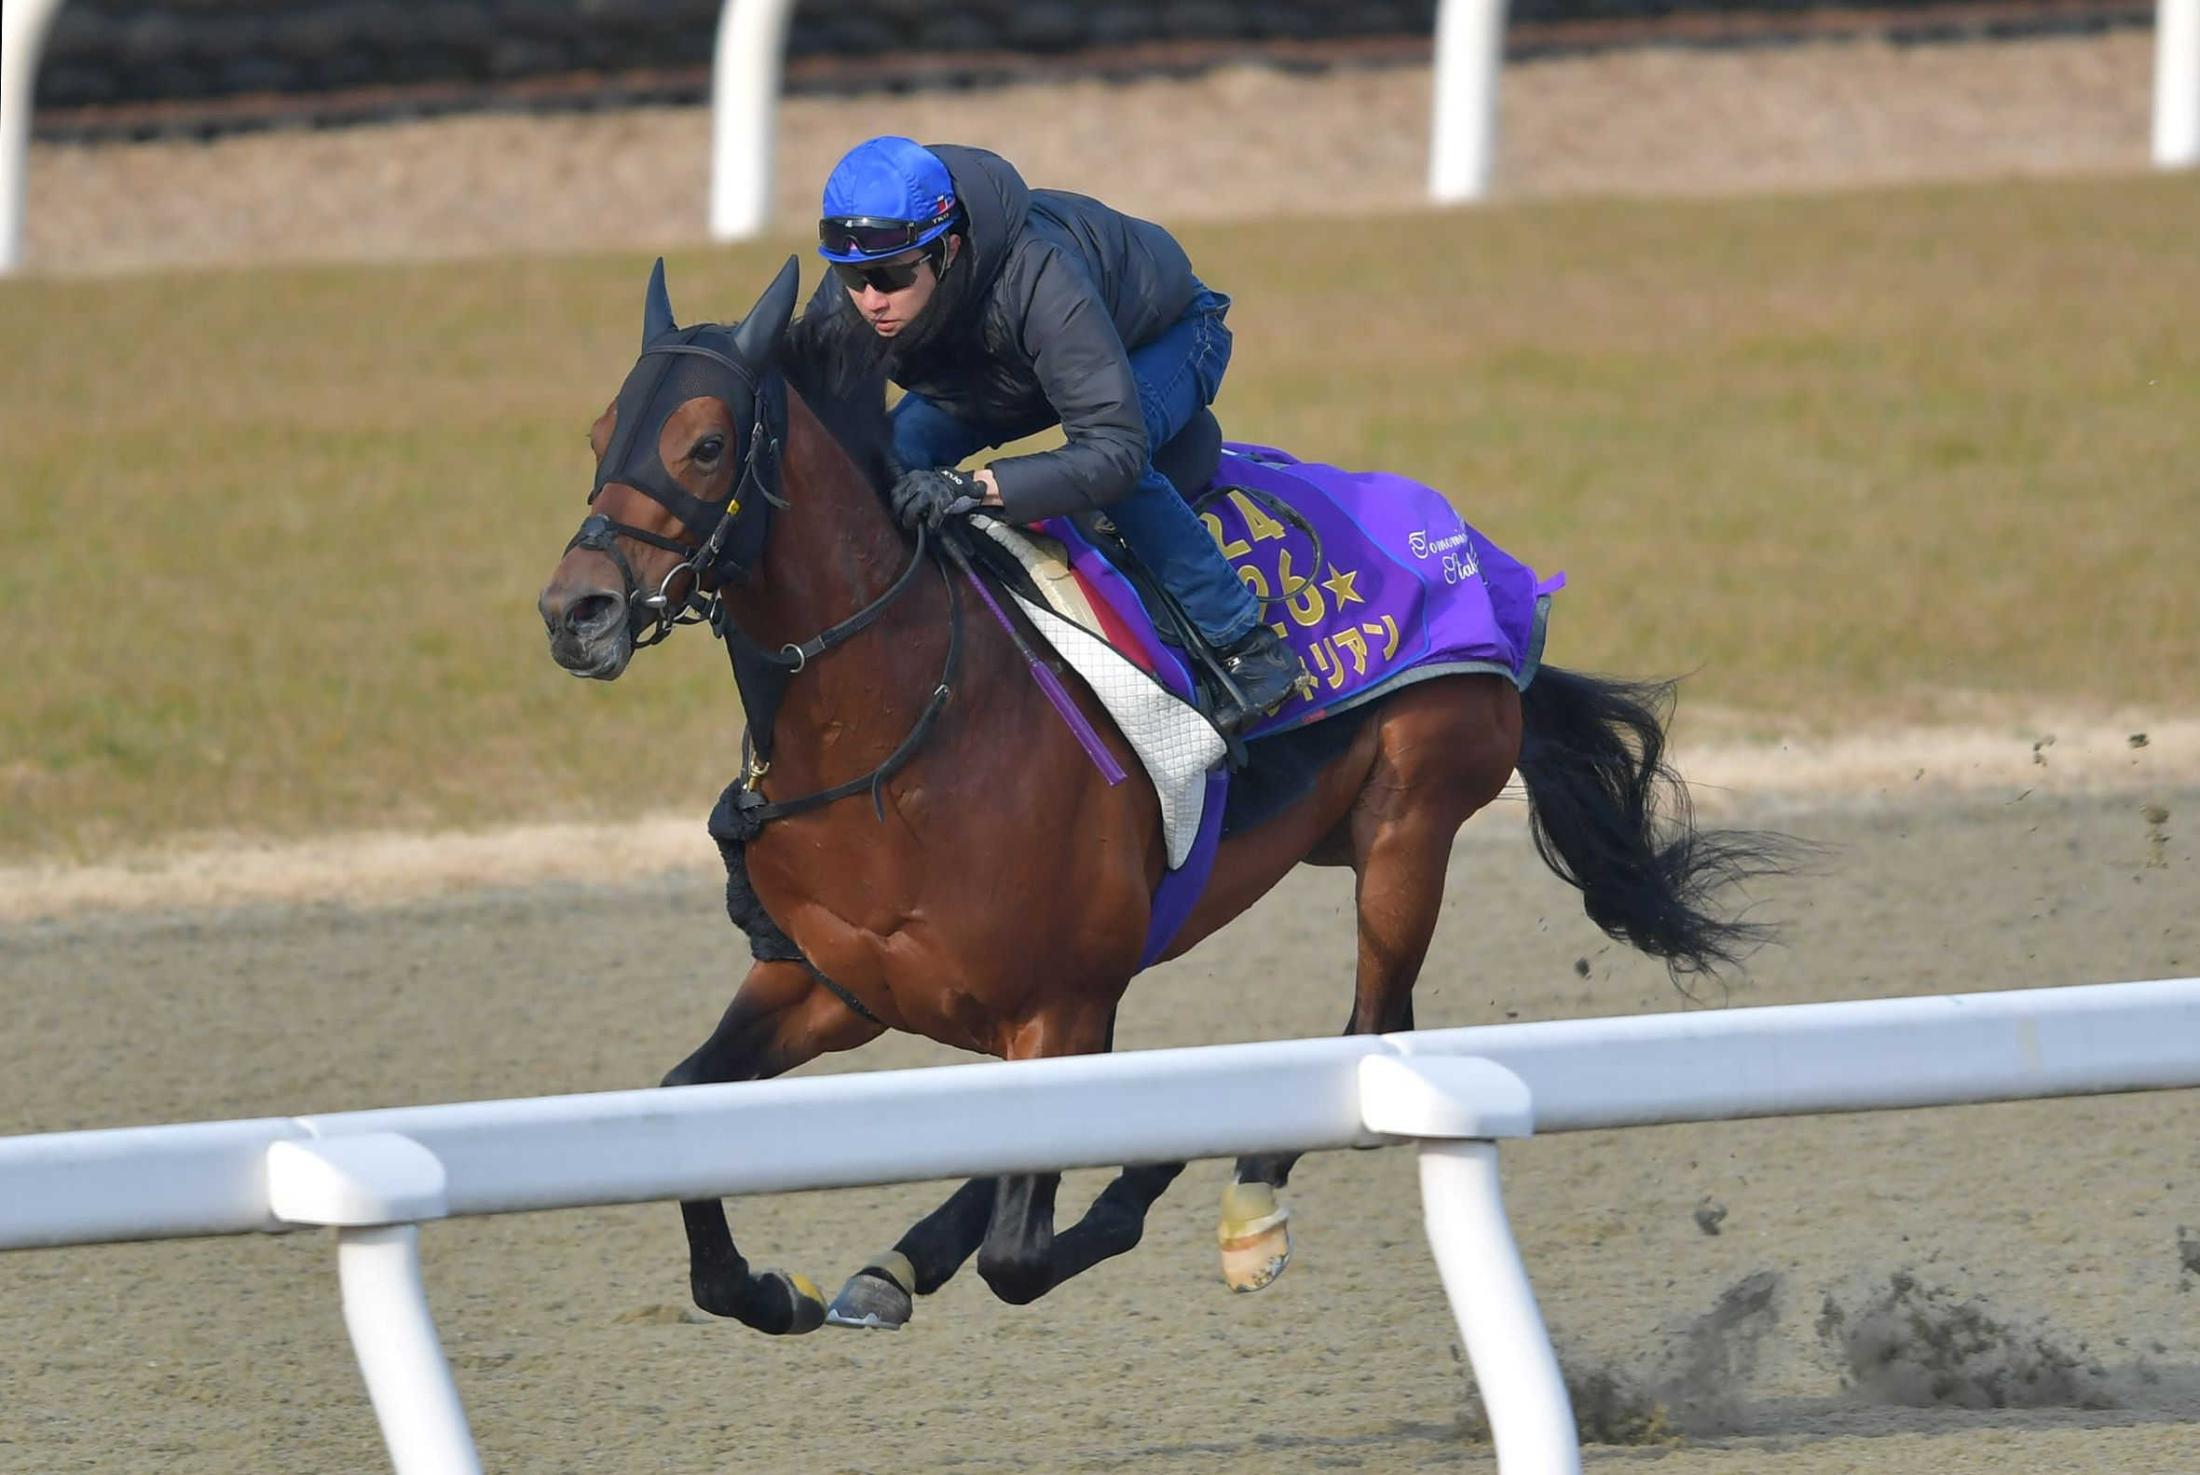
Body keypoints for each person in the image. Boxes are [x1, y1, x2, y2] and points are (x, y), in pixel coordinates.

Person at [809, 135, 1303, 729]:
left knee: (1120, 476)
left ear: (950, 248)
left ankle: (1245, 646)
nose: (868, 301)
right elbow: (809, 417)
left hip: (1160, 340)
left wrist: (973, 487)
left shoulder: (1041, 274)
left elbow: (1112, 451)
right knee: (881, 462)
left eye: (888, 276)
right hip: (1008, 373)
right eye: (849, 277)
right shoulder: (868, 292)